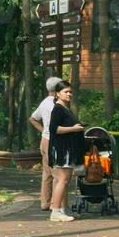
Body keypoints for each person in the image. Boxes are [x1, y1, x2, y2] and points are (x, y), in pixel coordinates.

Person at [45, 81, 84, 222]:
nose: (69, 94)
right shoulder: (58, 109)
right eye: (65, 92)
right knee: (62, 179)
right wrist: (74, 129)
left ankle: (64, 208)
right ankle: (55, 211)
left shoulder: (66, 108)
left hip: (68, 147)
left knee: (65, 180)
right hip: (62, 149)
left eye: (70, 92)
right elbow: (54, 129)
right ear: (57, 94)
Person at [28, 77, 63, 211]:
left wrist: (43, 130)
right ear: (57, 91)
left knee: (47, 173)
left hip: (44, 140)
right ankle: (56, 204)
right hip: (52, 141)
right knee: (57, 174)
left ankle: (45, 202)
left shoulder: (44, 102)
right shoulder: (55, 105)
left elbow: (33, 118)